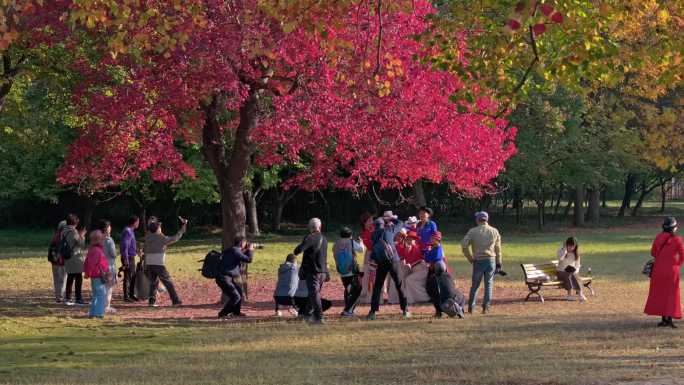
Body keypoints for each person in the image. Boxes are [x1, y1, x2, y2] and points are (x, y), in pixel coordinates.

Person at [367, 211, 410, 320]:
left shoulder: (373, 235)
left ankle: (372, 312)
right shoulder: (389, 230)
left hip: (381, 262)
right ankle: (405, 310)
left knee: (378, 286)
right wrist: (391, 218)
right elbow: (400, 223)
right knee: (399, 284)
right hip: (393, 261)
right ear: (384, 224)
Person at [644, 216, 684, 328]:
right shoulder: (677, 240)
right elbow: (683, 255)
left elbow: (653, 252)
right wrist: (677, 264)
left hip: (658, 269)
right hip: (672, 270)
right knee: (671, 295)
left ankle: (663, 320)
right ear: (674, 228)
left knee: (660, 293)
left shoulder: (658, 237)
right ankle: (669, 319)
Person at [462, 211, 502, 314]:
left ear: (477, 219)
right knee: (488, 284)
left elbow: (464, 245)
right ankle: (486, 307)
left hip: (478, 261)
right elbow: (498, 249)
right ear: (487, 219)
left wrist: (470, 258)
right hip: (491, 260)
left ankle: (471, 307)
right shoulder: (494, 231)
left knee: (475, 285)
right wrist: (499, 263)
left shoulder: (473, 231)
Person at [144, 217, 187, 307]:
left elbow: (144, 249)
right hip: (158, 264)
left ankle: (151, 302)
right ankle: (175, 301)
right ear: (157, 229)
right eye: (159, 227)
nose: (160, 228)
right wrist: (183, 227)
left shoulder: (147, 237)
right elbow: (175, 238)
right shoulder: (161, 238)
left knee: (153, 283)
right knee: (168, 282)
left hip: (149, 263)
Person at [293, 218, 328, 324]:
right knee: (313, 294)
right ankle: (307, 314)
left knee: (314, 293)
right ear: (320, 227)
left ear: (310, 227)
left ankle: (319, 317)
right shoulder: (324, 238)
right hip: (323, 271)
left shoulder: (310, 237)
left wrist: (300, 246)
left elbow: (298, 250)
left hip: (313, 271)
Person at [217, 236, 254, 318]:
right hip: (224, 278)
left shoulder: (232, 250)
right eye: (245, 243)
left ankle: (236, 312)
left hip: (226, 278)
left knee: (239, 293)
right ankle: (222, 314)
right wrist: (250, 250)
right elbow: (249, 259)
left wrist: (246, 250)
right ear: (241, 243)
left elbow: (240, 256)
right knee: (235, 296)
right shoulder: (235, 251)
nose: (246, 244)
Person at [333, 226, 365, 317]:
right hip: (352, 271)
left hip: (342, 271)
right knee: (357, 289)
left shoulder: (336, 243)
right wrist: (361, 242)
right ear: (350, 235)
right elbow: (361, 250)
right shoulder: (351, 242)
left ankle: (349, 310)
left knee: (348, 289)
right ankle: (347, 310)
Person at [391, 230, 430, 304]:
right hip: (415, 269)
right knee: (406, 279)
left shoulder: (416, 247)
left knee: (409, 280)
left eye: (412, 238)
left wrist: (405, 241)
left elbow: (412, 249)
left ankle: (426, 298)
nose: (410, 240)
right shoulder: (404, 247)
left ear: (415, 240)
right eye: (409, 238)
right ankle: (411, 298)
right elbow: (399, 251)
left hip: (422, 269)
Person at [83, 230, 110, 319]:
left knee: (96, 295)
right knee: (101, 294)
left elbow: (87, 262)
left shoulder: (93, 250)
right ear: (98, 240)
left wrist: (87, 273)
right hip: (98, 275)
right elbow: (90, 263)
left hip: (96, 275)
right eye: (102, 239)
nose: (103, 241)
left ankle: (93, 312)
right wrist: (88, 273)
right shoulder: (97, 251)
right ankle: (98, 313)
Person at [63, 214, 87, 306]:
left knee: (70, 277)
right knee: (78, 278)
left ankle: (68, 298)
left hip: (67, 257)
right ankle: (78, 298)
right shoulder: (73, 231)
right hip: (76, 257)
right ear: (75, 222)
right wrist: (82, 235)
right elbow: (80, 243)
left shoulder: (64, 231)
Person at [359, 212, 383, 303]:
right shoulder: (364, 234)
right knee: (367, 275)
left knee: (375, 275)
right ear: (364, 223)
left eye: (372, 220)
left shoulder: (376, 230)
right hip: (369, 254)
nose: (371, 222)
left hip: (377, 254)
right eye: (369, 220)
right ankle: (367, 295)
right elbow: (369, 246)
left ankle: (377, 297)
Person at [556, 237, 587, 302]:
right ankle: (569, 295)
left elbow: (578, 265)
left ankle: (580, 294)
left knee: (573, 274)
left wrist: (576, 270)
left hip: (571, 272)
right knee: (569, 275)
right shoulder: (561, 250)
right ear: (566, 245)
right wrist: (564, 251)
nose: (571, 248)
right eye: (569, 246)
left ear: (575, 246)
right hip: (561, 272)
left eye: (573, 246)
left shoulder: (576, 254)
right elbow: (560, 259)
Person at [97, 220, 118, 312]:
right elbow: (113, 254)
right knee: (109, 287)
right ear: (106, 228)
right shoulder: (109, 240)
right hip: (109, 266)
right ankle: (106, 307)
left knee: (101, 287)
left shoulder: (97, 238)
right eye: (109, 227)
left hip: (99, 266)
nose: (110, 228)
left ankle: (101, 305)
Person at [120, 215, 139, 302]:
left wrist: (138, 252)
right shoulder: (128, 231)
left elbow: (131, 244)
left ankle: (131, 294)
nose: (138, 223)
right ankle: (126, 296)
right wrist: (126, 260)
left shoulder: (131, 230)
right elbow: (125, 246)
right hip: (128, 257)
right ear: (134, 222)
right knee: (128, 277)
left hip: (131, 257)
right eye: (138, 222)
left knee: (133, 276)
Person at [49, 220, 68, 303]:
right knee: (63, 280)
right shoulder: (65, 236)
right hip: (62, 261)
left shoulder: (55, 235)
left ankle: (57, 297)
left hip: (54, 261)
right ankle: (61, 297)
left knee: (56, 280)